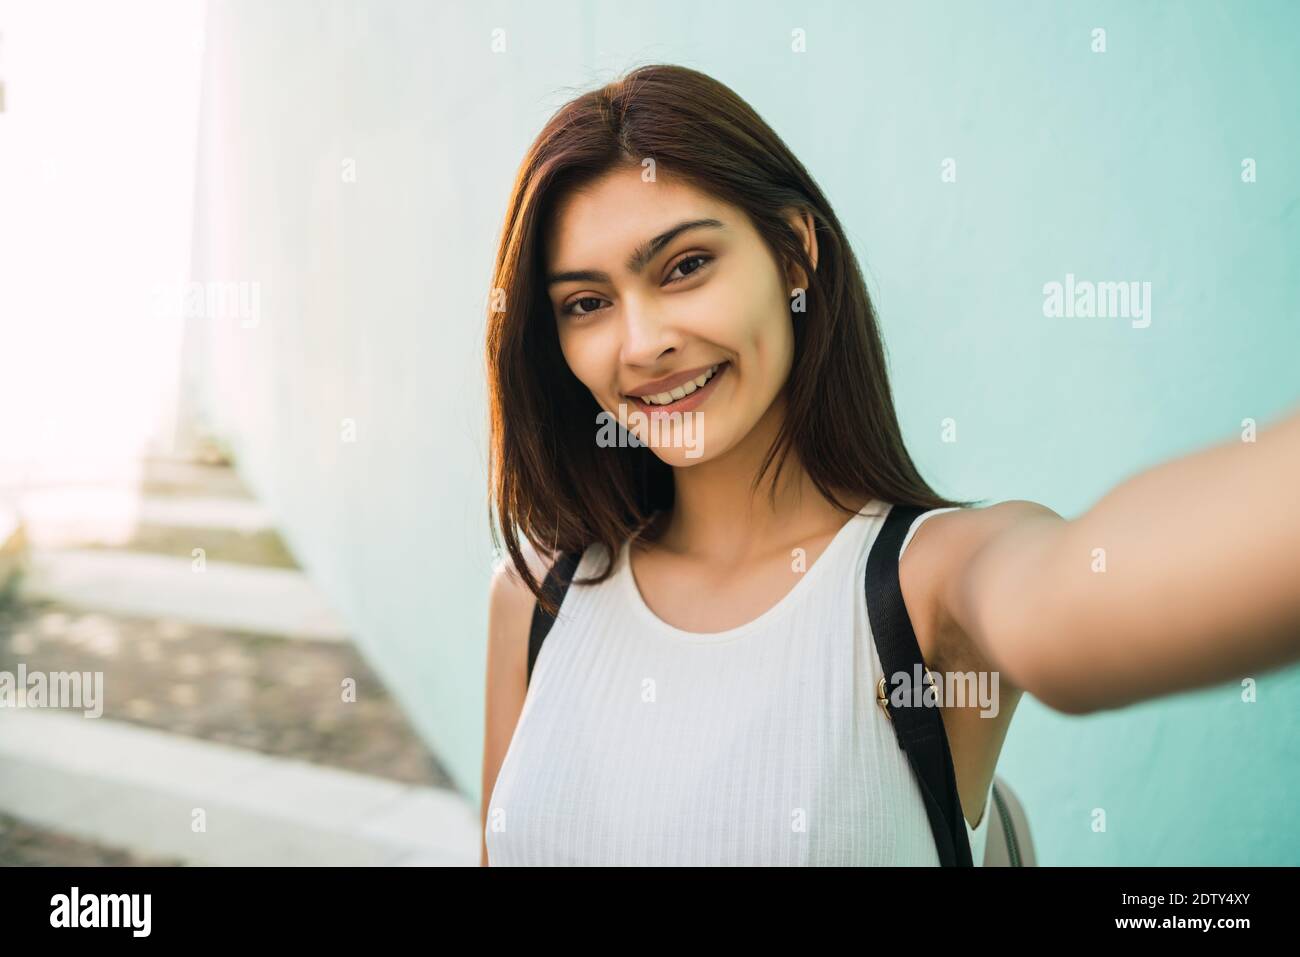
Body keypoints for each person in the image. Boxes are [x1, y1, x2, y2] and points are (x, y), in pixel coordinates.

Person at [479, 64, 1300, 866]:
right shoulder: (538, 594)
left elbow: (1082, 594)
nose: (642, 342)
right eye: (587, 303)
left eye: (686, 265)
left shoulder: (928, 586)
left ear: (794, 255)